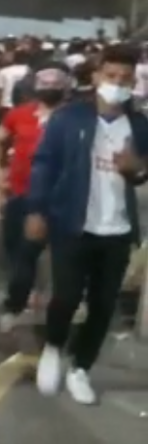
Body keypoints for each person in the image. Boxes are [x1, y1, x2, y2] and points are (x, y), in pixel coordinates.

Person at [28, 44, 147, 405]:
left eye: (125, 78)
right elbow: (44, 164)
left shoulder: (140, 125)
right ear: (96, 77)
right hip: (73, 225)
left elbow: (142, 174)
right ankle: (52, 347)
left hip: (117, 231)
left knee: (103, 305)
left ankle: (81, 367)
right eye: (111, 76)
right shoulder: (69, 119)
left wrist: (136, 170)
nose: (118, 84)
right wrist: (36, 210)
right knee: (65, 296)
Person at [0, 65, 70, 333]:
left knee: (44, 255)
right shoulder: (20, 115)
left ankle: (29, 305)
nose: (48, 91)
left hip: (59, 199)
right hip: (20, 194)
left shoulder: (72, 119)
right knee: (16, 253)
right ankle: (19, 300)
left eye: (54, 87)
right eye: (44, 86)